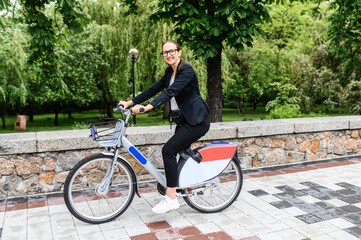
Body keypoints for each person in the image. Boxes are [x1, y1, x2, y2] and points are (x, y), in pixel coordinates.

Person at [118, 40, 210, 213]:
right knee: (178, 155)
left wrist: (147, 107)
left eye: (172, 51)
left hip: (197, 121)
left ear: (179, 52)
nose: (168, 55)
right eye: (165, 53)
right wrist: (129, 102)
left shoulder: (186, 70)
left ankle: (171, 198)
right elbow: (154, 89)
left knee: (168, 151)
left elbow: (170, 92)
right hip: (185, 121)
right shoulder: (170, 71)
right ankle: (183, 190)